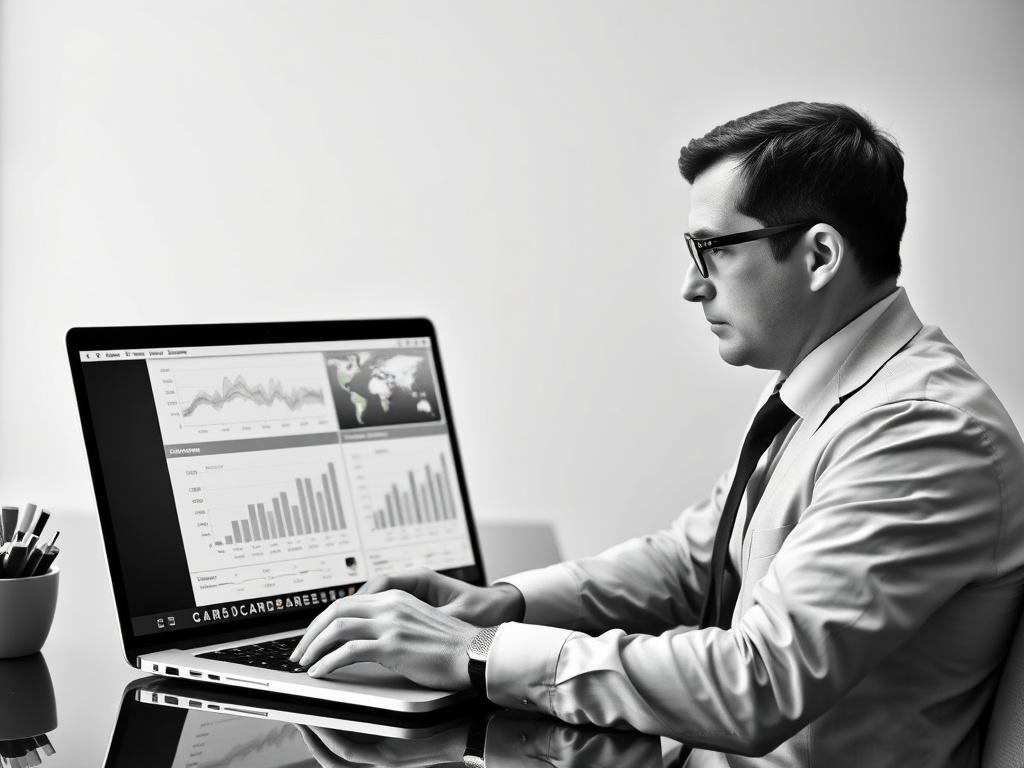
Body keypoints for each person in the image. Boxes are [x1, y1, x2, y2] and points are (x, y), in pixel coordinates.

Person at [289, 102, 1024, 766]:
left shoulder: (921, 431)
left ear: (820, 256)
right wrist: (502, 605)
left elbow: (756, 683)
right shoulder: (832, 391)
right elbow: (693, 561)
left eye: (714, 249)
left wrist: (479, 653)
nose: (691, 284)